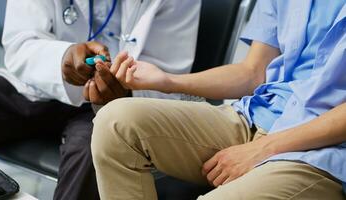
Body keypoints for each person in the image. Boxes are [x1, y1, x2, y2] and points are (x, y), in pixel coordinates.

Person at [91, 0, 346, 199]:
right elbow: (253, 72)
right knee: (116, 123)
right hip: (257, 116)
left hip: (324, 149)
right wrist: (167, 81)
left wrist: (263, 149)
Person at [0, 0, 200, 199]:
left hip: (118, 103)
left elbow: (166, 80)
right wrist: (63, 57)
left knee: (99, 148)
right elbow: (20, 44)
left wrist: (123, 89)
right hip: (41, 85)